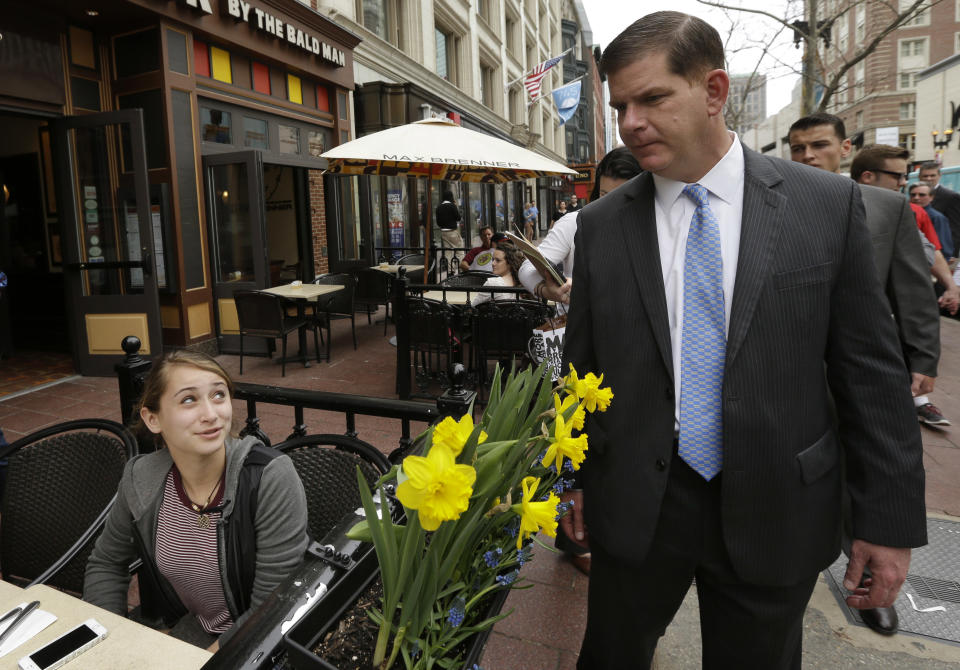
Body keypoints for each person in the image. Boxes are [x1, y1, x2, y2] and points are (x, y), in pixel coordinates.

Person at [561, 12, 926, 669]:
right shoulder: (602, 226)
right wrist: (577, 477)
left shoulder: (826, 208)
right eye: (620, 106)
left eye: (652, 98)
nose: (631, 123)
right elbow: (582, 365)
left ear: (715, 91)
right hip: (639, 505)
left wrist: (887, 522)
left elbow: (871, 377)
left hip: (777, 505)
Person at [788, 112, 940, 635]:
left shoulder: (887, 207)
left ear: (845, 148)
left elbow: (913, 289)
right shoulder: (779, 204)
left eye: (819, 145)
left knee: (868, 470)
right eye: (799, 148)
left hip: (863, 371)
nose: (808, 156)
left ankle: (870, 583)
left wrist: (923, 359)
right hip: (800, 373)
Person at [84, 351, 309, 650]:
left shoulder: (268, 476)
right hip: (198, 627)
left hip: (270, 637)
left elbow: (272, 607)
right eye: (189, 400)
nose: (211, 414)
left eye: (218, 394)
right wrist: (109, 639)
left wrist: (200, 658)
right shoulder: (142, 478)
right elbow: (107, 563)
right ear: (153, 419)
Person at [851, 146, 957, 427]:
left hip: (873, 340)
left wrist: (923, 358)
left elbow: (923, 260)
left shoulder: (900, 211)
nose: (903, 184)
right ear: (868, 176)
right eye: (897, 176)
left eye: (904, 177)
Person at [519, 146, 643, 310]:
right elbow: (527, 268)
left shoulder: (656, 224)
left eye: (623, 197)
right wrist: (547, 291)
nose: (612, 205)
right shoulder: (574, 222)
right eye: (604, 195)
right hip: (582, 328)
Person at [919, 161, 960, 247]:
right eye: (925, 176)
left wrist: (952, 254)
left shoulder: (950, 196)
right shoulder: (915, 195)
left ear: (939, 176)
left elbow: (955, 228)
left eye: (932, 175)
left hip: (940, 249)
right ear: (919, 177)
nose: (928, 178)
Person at [910, 182, 955, 260]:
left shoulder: (937, 217)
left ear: (931, 197)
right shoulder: (907, 212)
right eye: (913, 195)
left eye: (922, 195)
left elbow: (944, 247)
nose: (916, 198)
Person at [471, 242, 524, 306]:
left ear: (510, 263)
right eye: (493, 259)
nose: (493, 263)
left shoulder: (493, 283)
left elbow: (471, 306)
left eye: (498, 260)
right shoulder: (522, 281)